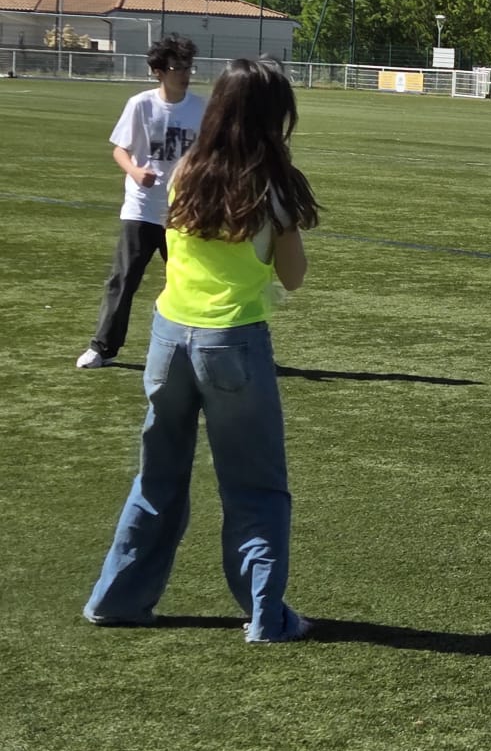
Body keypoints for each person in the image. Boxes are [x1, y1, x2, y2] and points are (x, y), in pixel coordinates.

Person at [84, 57, 319, 642]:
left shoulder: (186, 169)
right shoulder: (272, 182)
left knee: (157, 479)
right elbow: (293, 277)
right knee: (255, 486)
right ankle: (266, 614)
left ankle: (118, 599)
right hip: (234, 341)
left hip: (168, 339)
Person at [77, 36, 205, 369]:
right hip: (141, 209)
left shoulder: (201, 109)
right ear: (158, 71)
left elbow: (211, 156)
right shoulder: (140, 105)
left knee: (189, 283)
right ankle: (103, 347)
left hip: (183, 214)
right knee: (123, 280)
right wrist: (135, 171)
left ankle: (197, 348)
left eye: (189, 67)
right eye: (178, 67)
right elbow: (120, 148)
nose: (185, 74)